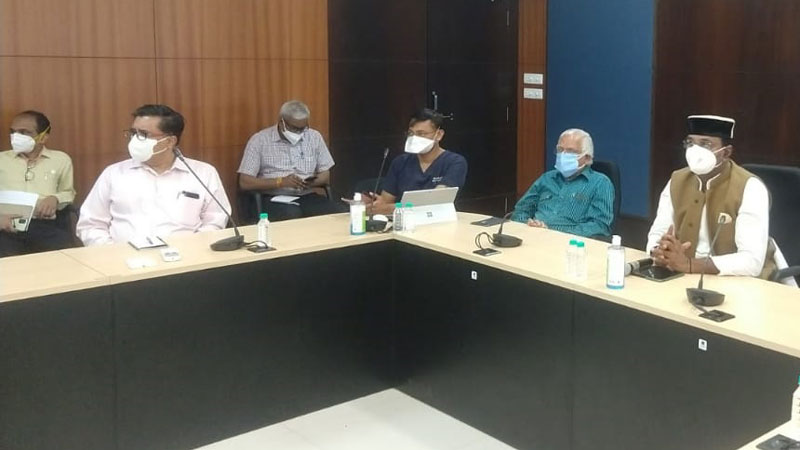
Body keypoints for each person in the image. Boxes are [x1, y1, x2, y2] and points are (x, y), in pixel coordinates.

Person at [647, 114, 791, 282]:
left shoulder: (750, 187)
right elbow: (657, 233)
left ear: (726, 152)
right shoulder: (677, 180)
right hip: (683, 276)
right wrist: (660, 252)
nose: (695, 150)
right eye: (690, 143)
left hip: (739, 281)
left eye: (705, 144)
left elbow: (751, 262)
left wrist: (690, 264)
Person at [77, 104, 230, 246]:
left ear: (170, 141)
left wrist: (193, 248)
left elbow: (215, 220)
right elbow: (90, 224)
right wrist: (111, 252)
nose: (135, 139)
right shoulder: (114, 173)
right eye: (133, 133)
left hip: (187, 257)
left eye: (144, 134)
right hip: (122, 260)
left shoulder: (203, 173)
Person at [238, 100, 341, 221]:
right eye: (295, 128)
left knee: (338, 212)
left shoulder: (314, 137)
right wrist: (281, 182)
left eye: (303, 128)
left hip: (306, 195)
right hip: (274, 198)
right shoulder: (259, 140)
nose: (299, 132)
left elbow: (325, 175)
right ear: (281, 122)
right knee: (291, 213)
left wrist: (307, 183)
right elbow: (245, 182)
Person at [510, 128, 614, 238]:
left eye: (571, 151)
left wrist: (552, 233)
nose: (563, 155)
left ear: (587, 157)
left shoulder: (601, 183)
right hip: (532, 237)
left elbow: (599, 225)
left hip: (569, 243)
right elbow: (521, 210)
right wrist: (527, 225)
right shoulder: (547, 178)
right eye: (560, 150)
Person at [0, 110, 77, 257]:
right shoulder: (2, 160)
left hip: (45, 225)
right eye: (13, 132)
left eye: (24, 132)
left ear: (43, 137)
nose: (16, 137)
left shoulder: (60, 159)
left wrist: (55, 198)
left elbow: (69, 192)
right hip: (7, 225)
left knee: (66, 258)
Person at [368, 108, 467, 215]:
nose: (414, 138)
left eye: (421, 134)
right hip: (402, 221)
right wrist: (375, 205)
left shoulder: (455, 162)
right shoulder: (400, 162)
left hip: (439, 220)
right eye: (411, 133)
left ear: (439, 135)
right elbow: (385, 203)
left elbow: (436, 202)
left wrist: (392, 208)